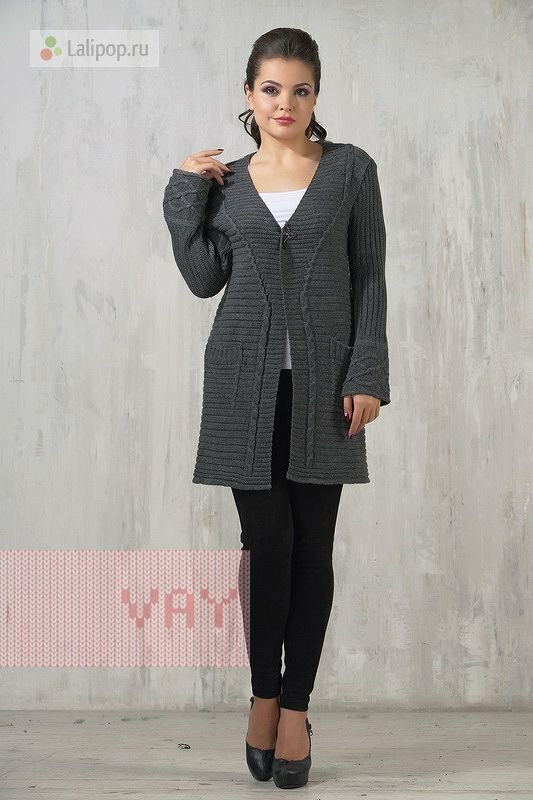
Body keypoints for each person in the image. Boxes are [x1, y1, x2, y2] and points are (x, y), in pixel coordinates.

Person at [163, 26, 390, 790]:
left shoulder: (350, 170)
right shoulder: (225, 181)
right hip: (242, 385)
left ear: (315, 96)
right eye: (270, 88)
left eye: (299, 89)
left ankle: (295, 709)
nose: (284, 102)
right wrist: (184, 192)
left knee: (312, 549)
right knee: (267, 546)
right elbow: (203, 277)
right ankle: (263, 695)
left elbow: (368, 276)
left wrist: (368, 373)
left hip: (327, 388)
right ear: (248, 95)